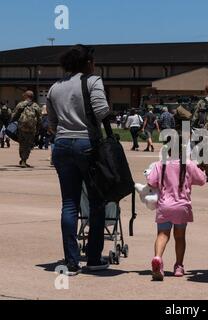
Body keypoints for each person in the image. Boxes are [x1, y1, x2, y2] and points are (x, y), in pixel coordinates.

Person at [47, 44, 111, 275]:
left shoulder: (55, 87)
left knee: (69, 203)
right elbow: (102, 111)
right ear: (87, 63)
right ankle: (93, 257)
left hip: (62, 145)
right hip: (87, 144)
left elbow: (52, 123)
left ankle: (71, 262)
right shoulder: (93, 81)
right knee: (97, 202)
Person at [146, 142, 207, 281]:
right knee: (179, 237)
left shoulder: (160, 164)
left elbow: (151, 181)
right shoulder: (189, 164)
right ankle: (179, 266)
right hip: (182, 206)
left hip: (164, 205)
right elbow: (202, 180)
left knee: (162, 234)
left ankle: (158, 258)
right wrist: (203, 170)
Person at [11, 91, 41, 167]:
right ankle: (24, 160)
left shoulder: (20, 104)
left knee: (22, 144)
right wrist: (38, 128)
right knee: (28, 145)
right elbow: (39, 118)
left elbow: (13, 115)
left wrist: (12, 123)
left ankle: (23, 160)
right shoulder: (36, 106)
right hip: (31, 128)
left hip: (21, 128)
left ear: (26, 96)